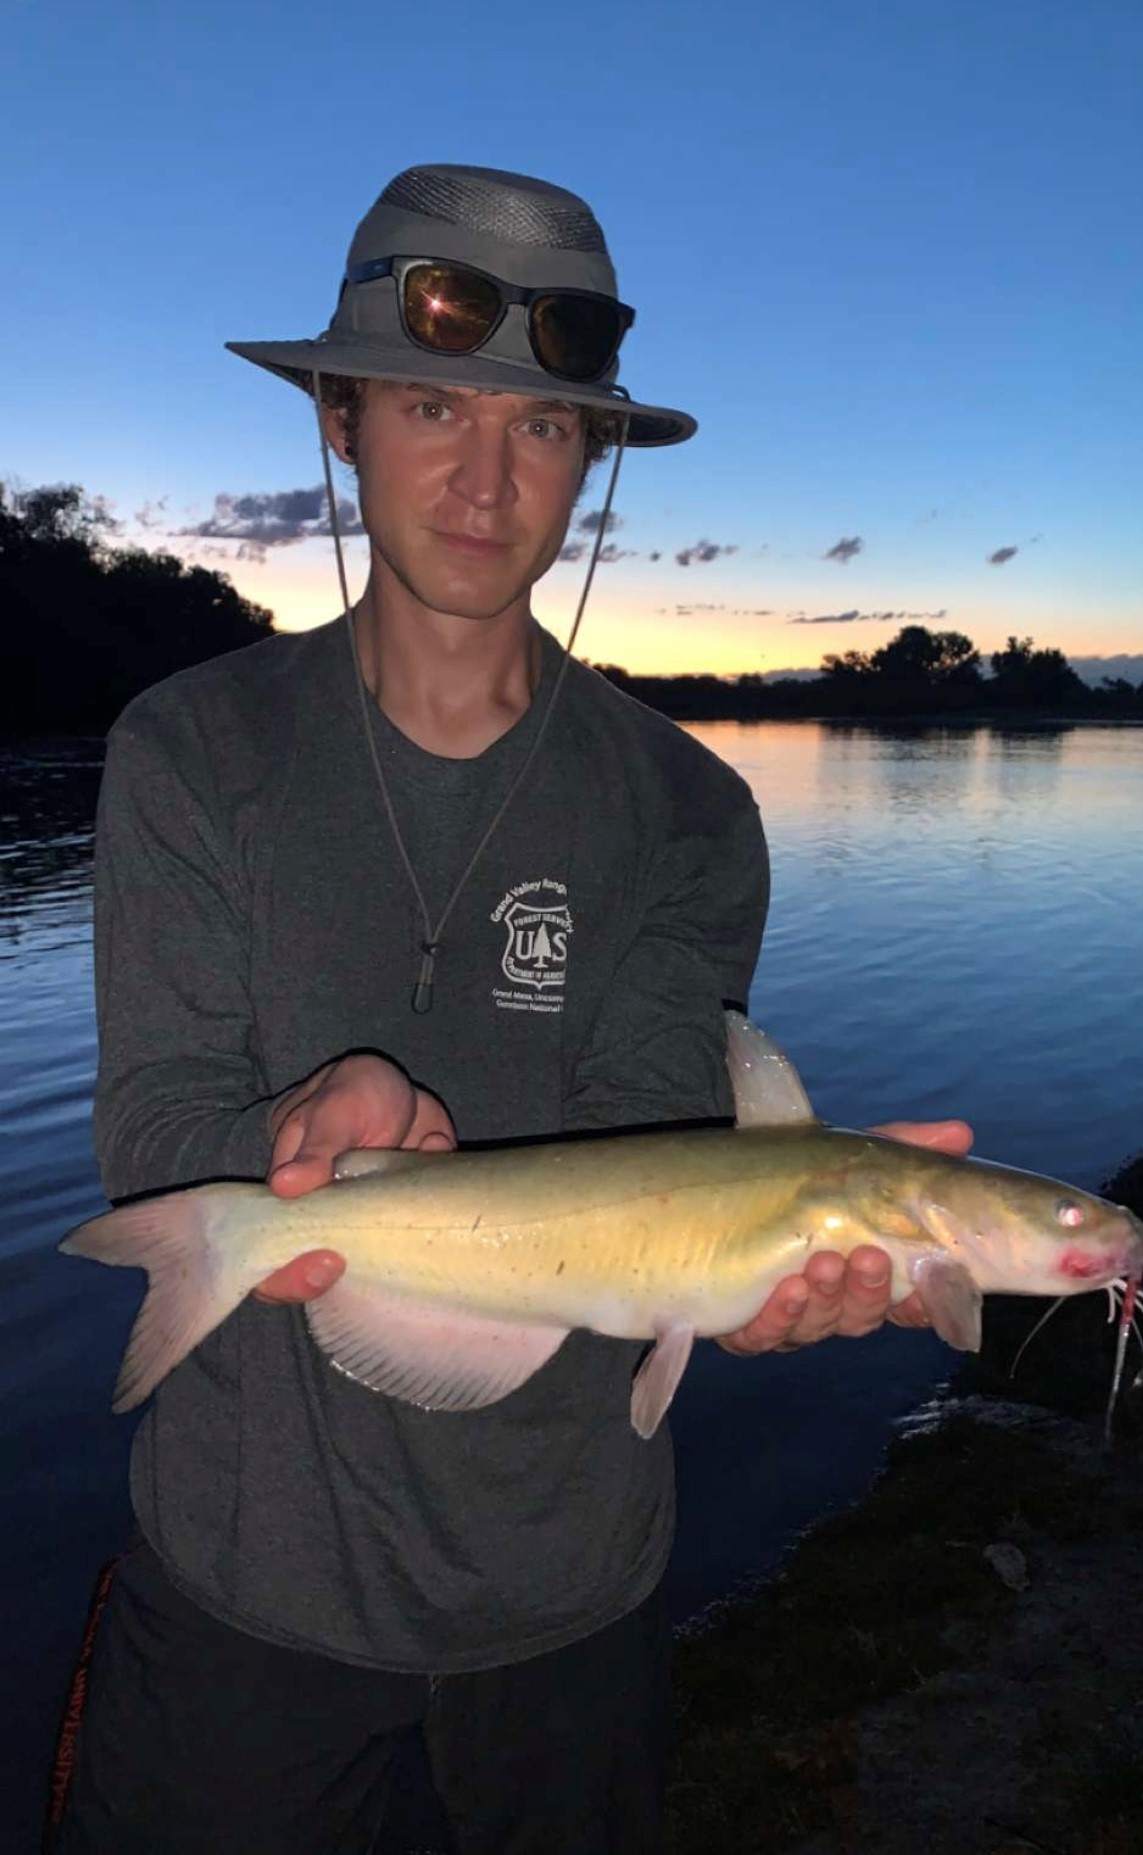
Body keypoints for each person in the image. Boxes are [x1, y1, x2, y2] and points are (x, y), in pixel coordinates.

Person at [54, 164, 971, 1854]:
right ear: (342, 422)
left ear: (591, 462)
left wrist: (758, 1262)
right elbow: (151, 1132)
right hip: (249, 1580)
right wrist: (288, 1129)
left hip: (570, 1600)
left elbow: (646, 1133)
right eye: (430, 406)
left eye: (544, 430)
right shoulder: (190, 752)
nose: (488, 480)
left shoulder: (692, 813)